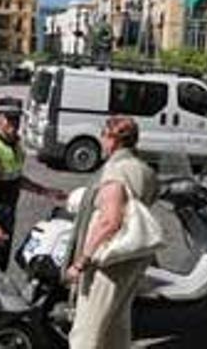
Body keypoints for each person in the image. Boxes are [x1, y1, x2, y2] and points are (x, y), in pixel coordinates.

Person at [65, 116, 160, 349]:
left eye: (103, 134)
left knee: (86, 331)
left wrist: (81, 262)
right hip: (133, 255)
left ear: (114, 140)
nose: (101, 140)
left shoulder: (116, 171)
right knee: (116, 325)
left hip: (108, 259)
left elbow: (110, 221)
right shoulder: (144, 169)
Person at [0, 96, 67, 271]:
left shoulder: (15, 147)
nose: (14, 124)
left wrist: (44, 191)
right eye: (9, 118)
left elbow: (15, 178)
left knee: (0, 265)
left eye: (17, 119)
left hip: (8, 214)